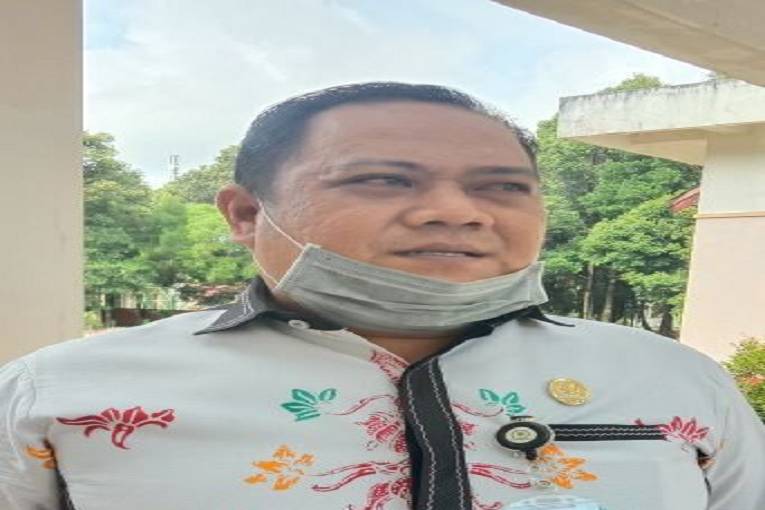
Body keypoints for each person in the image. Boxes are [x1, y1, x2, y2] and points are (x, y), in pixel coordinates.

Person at [0, 82, 762, 510]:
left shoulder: (671, 378)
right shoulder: (59, 393)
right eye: (382, 180)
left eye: (501, 187)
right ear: (245, 213)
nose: (456, 211)